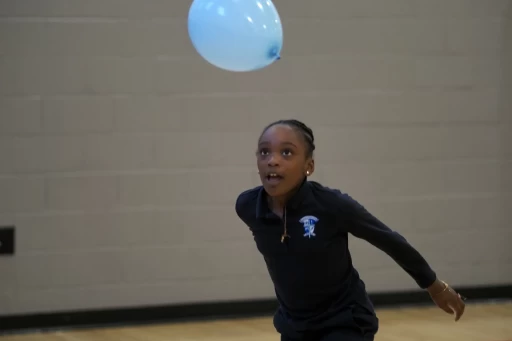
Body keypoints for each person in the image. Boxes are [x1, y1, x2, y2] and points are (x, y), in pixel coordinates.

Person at [234, 119, 466, 341]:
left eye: (286, 152)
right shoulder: (248, 206)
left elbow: (389, 240)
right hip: (295, 326)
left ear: (309, 166)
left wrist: (435, 286)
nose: (272, 160)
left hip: (344, 320)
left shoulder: (332, 205)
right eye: (264, 152)